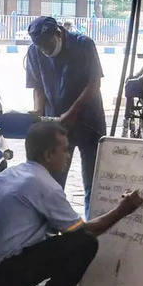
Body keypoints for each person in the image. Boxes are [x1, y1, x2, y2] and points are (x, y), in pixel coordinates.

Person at [0, 121, 143, 286]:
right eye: (65, 150)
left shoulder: (12, 173)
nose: (68, 155)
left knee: (61, 240)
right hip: (8, 266)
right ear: (48, 155)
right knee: (84, 243)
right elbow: (83, 232)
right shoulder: (44, 186)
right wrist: (123, 209)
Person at [24, 16, 106, 204]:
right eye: (41, 47)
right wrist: (38, 110)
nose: (45, 51)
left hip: (89, 123)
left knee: (92, 185)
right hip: (57, 127)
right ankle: (54, 228)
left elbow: (94, 83)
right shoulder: (34, 52)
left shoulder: (84, 45)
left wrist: (73, 112)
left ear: (58, 34)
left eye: (48, 45)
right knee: (53, 183)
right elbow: (37, 85)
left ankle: (90, 229)